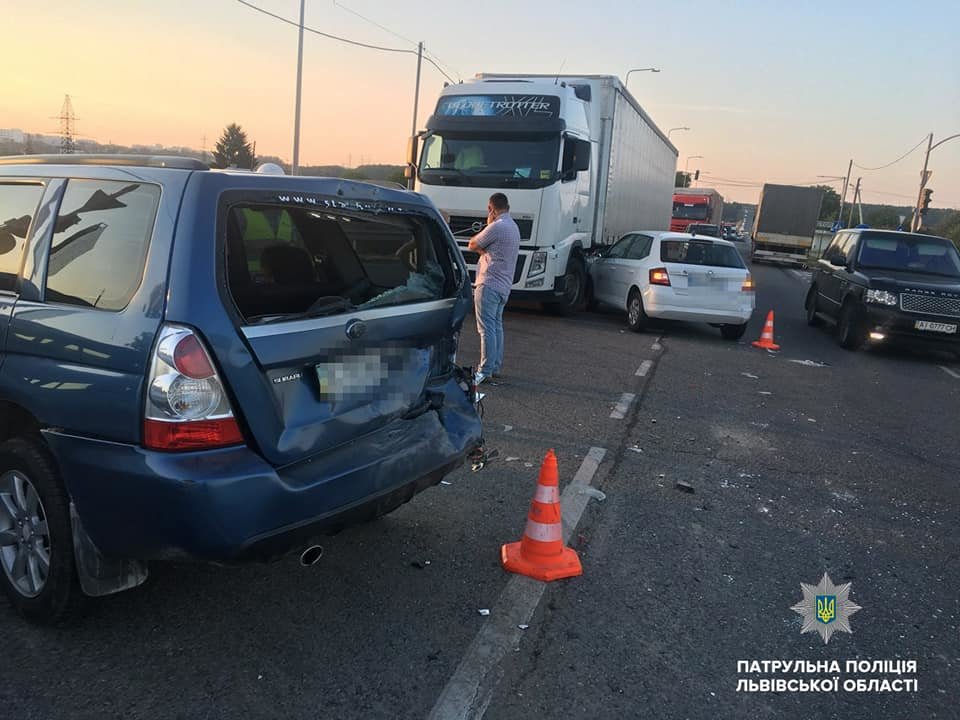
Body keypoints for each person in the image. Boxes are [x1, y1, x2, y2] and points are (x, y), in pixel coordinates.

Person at [468, 193, 520, 384]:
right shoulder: (513, 227)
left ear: (491, 209)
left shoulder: (496, 227)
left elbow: (473, 244)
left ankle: (485, 369)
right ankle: (495, 366)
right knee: (496, 327)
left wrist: (488, 224)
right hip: (504, 285)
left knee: (486, 329)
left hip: (488, 283)